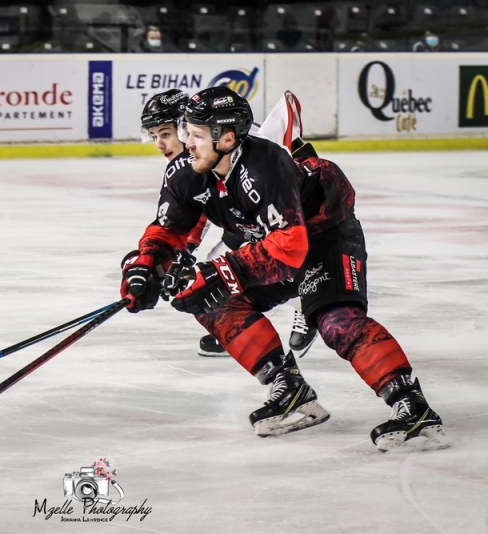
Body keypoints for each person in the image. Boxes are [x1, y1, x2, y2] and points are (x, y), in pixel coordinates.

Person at [120, 86, 450, 452]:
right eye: (182, 133)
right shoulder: (189, 169)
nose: (181, 143)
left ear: (225, 138)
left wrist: (221, 270)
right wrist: (146, 266)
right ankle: (289, 388)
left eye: (191, 135)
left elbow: (289, 247)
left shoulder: (263, 163)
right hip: (274, 241)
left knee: (335, 320)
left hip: (324, 234)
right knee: (203, 297)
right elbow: (169, 230)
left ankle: (413, 407)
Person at [138, 89, 318, 359]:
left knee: (238, 267)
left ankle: (308, 301)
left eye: (165, 134)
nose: (160, 145)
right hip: (247, 219)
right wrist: (184, 249)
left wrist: (187, 250)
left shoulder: (238, 143)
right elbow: (200, 201)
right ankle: (238, 326)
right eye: (154, 136)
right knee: (218, 263)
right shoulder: (200, 148)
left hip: (286, 219)